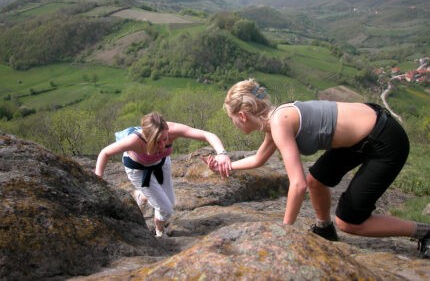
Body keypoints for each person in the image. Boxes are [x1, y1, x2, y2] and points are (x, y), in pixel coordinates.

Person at [204, 78, 430, 258]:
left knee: (349, 222)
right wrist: (227, 165)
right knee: (316, 180)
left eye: (232, 118)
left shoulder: (279, 122)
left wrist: (285, 232)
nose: (233, 122)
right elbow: (259, 159)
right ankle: (324, 228)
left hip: (385, 141)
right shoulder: (276, 120)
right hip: (366, 134)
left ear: (242, 116)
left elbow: (297, 185)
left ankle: (424, 231)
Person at [95, 112, 231, 238]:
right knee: (165, 209)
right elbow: (104, 153)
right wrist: (97, 180)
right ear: (146, 137)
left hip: (161, 163)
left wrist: (222, 153)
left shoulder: (173, 130)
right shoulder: (134, 141)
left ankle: (142, 195)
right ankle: (159, 232)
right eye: (156, 142)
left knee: (170, 202)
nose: (162, 145)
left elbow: (207, 135)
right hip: (138, 169)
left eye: (165, 139)